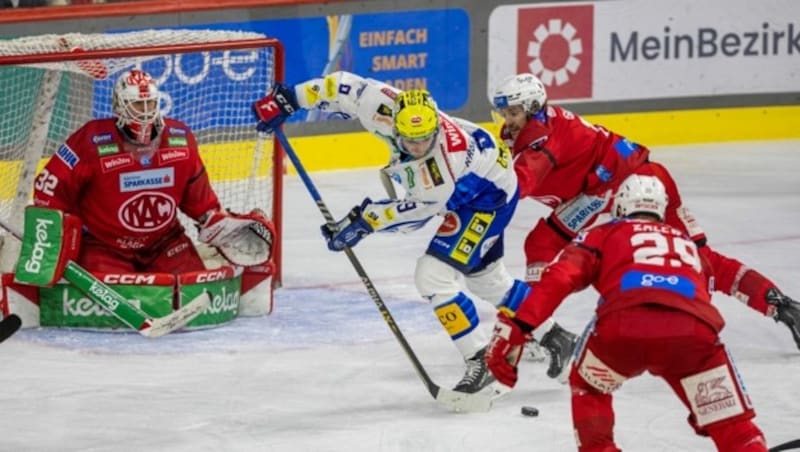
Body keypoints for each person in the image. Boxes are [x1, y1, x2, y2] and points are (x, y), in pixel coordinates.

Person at [253, 70, 577, 393]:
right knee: (488, 280)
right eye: (411, 139)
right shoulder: (386, 105)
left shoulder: (439, 167)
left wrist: (363, 222)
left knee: (432, 276)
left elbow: (415, 214)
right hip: (483, 181)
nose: (420, 146)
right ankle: (557, 338)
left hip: (486, 201)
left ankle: (482, 361)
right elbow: (339, 85)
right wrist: (290, 99)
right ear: (396, 123)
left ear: (435, 126)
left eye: (426, 139)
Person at [490, 72, 800, 350]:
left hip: (640, 180)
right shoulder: (533, 127)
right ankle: (538, 326)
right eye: (504, 113)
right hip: (600, 188)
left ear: (533, 108)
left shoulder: (541, 143)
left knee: (697, 258)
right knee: (541, 242)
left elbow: (514, 187)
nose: (508, 120)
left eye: (514, 113)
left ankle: (778, 304)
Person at [485, 174, 768, 451]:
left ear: (619, 206)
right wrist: (774, 300)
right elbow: (724, 277)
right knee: (735, 429)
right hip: (694, 335)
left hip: (621, 330)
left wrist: (518, 326)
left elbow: (560, 278)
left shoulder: (602, 234)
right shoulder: (688, 245)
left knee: (588, 386)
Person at [32, 69, 275, 275]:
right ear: (119, 105)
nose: (146, 110)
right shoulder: (91, 139)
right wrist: (57, 237)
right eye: (138, 103)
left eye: (150, 103)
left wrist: (211, 219)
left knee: (192, 285)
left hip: (164, 242)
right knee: (117, 294)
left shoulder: (180, 139)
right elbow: (49, 189)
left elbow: (198, 197)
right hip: (103, 245)